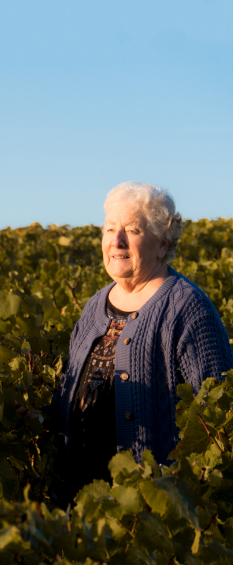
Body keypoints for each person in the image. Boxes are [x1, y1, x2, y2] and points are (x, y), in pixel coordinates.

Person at [50, 182, 233, 506]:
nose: (116, 240)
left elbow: (220, 417)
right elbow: (72, 394)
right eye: (109, 229)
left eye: (132, 230)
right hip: (77, 509)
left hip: (149, 516)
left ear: (163, 243)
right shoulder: (95, 307)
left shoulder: (188, 309)